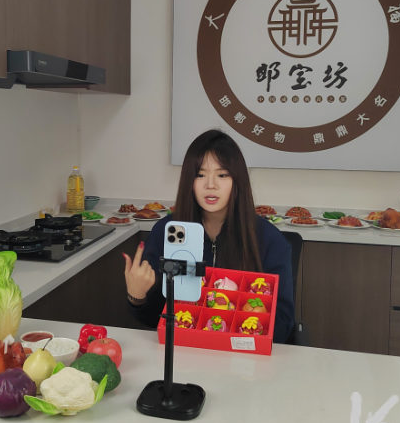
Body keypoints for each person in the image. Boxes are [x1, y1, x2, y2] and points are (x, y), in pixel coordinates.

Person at [124, 129, 295, 343]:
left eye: (222, 175)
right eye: (200, 174)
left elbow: (283, 324)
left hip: (242, 355)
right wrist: (137, 297)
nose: (210, 185)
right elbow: (153, 320)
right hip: (182, 351)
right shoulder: (167, 231)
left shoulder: (269, 239)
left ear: (237, 180)